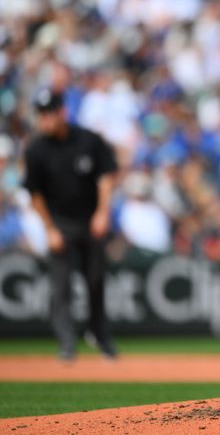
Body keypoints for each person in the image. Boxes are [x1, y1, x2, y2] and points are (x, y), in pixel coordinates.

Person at [23, 88, 118, 361]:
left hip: (90, 221)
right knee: (60, 286)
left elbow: (105, 176)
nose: (45, 119)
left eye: (49, 113)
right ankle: (66, 343)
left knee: (96, 281)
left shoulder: (88, 140)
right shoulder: (37, 149)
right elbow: (35, 192)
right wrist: (50, 229)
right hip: (60, 223)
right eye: (41, 114)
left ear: (62, 112)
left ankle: (100, 335)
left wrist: (102, 212)